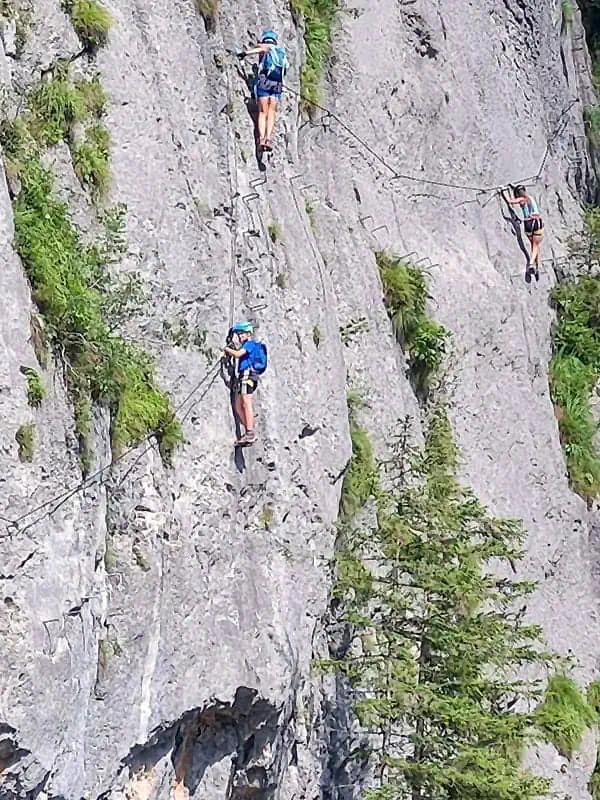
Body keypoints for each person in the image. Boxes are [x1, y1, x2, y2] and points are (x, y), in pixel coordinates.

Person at [238, 30, 287, 152]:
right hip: (277, 84)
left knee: (262, 112)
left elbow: (261, 49)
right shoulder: (280, 51)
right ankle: (268, 138)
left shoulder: (265, 46)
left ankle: (261, 139)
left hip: (264, 82)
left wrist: (245, 53)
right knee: (271, 112)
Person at [223, 322, 267, 446]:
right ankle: (249, 427)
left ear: (248, 333)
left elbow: (238, 354)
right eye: (239, 334)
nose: (240, 336)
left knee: (246, 402)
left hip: (247, 375)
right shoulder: (247, 345)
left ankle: (250, 433)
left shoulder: (250, 344)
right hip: (245, 376)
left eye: (242, 333)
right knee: (238, 405)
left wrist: (227, 349)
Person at [501, 185, 544, 279]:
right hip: (537, 222)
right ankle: (532, 264)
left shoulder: (521, 200)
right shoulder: (530, 198)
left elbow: (509, 201)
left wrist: (502, 191)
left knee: (534, 245)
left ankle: (537, 267)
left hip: (527, 224)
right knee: (536, 245)